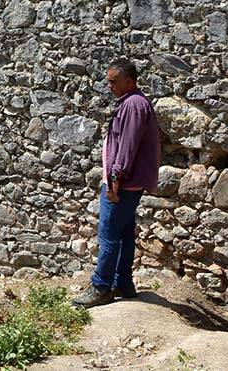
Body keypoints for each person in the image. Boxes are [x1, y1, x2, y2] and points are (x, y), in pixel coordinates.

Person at [71, 58, 161, 308]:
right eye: (108, 80)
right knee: (122, 233)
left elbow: (127, 147)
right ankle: (122, 283)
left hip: (123, 183)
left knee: (109, 233)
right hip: (128, 182)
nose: (108, 85)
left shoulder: (132, 106)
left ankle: (101, 287)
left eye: (114, 81)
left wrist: (115, 178)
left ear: (129, 82)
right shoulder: (133, 103)